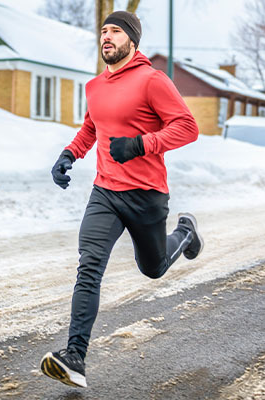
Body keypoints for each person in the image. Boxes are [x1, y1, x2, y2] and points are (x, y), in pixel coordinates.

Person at [40, 10, 204, 388]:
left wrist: (142, 144)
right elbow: (92, 127)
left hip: (146, 195)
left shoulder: (153, 80)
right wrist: (69, 154)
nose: (106, 37)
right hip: (106, 192)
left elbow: (187, 127)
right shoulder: (96, 86)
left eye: (115, 31)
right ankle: (75, 356)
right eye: (103, 31)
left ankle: (185, 233)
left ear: (132, 39)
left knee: (153, 268)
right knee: (89, 266)